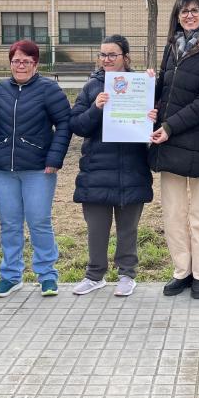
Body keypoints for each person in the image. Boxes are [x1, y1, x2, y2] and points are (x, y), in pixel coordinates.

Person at [0, 40, 71, 297]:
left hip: (38, 170)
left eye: (26, 61)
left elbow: (64, 124)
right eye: (16, 61)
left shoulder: (49, 90)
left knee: (39, 222)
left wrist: (54, 159)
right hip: (2, 170)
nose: (20, 65)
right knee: (9, 224)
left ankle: (47, 275)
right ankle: (11, 275)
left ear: (36, 63)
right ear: (10, 63)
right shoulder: (0, 90)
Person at [149, 0, 199, 299]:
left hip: (198, 144)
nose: (189, 15)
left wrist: (170, 127)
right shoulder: (172, 47)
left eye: (195, 11)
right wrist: (149, 90)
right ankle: (182, 270)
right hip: (168, 143)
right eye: (184, 12)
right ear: (177, 17)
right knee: (173, 214)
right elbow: (165, 90)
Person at [69, 35, 156, 297]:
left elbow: (156, 121)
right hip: (96, 170)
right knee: (96, 228)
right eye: (103, 54)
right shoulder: (91, 87)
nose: (106, 59)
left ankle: (127, 274)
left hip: (132, 169)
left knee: (128, 228)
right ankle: (94, 275)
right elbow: (77, 125)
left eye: (112, 55)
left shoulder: (140, 85)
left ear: (125, 58)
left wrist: (153, 113)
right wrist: (96, 108)